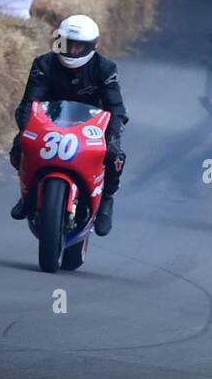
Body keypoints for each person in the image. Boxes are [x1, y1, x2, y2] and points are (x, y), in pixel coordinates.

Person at [8, 14, 127, 236]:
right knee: (18, 147)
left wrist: (112, 138)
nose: (71, 50)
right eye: (66, 44)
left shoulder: (105, 68)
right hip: (49, 122)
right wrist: (25, 131)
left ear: (90, 47)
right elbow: (28, 103)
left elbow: (116, 108)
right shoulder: (43, 64)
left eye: (77, 47)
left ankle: (106, 200)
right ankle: (28, 193)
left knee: (115, 156)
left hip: (91, 125)